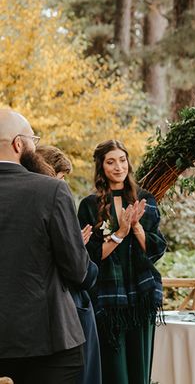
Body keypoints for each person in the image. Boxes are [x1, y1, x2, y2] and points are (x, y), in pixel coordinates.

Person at [0, 109, 90, 384]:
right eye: (32, 141)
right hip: (47, 343)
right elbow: (77, 271)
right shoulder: (51, 190)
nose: (34, 148)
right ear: (18, 144)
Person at [77, 140, 166, 384]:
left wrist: (136, 227)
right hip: (107, 299)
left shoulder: (145, 200)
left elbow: (157, 248)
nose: (118, 167)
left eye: (122, 160)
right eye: (111, 161)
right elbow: (89, 255)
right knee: (113, 369)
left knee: (139, 368)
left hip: (141, 295)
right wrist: (119, 234)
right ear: (101, 167)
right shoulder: (88, 205)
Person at [35, 145, 102, 384]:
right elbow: (77, 269)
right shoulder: (54, 196)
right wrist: (78, 248)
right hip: (68, 302)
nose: (63, 183)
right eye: (61, 177)